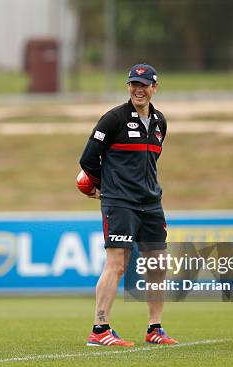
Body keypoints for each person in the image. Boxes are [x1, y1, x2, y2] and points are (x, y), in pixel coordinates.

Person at [79, 63, 177, 346]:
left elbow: (149, 162)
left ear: (154, 88)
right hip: (119, 202)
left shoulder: (160, 122)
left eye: (144, 85)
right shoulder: (113, 119)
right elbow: (87, 159)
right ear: (128, 87)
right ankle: (100, 329)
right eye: (134, 84)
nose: (138, 89)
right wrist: (105, 187)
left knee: (157, 264)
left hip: (151, 202)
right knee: (118, 264)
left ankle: (154, 328)